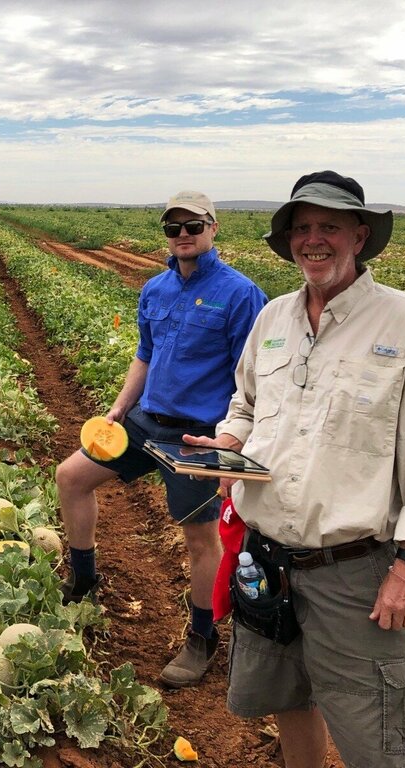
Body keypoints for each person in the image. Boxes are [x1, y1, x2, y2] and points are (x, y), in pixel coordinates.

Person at [185, 171, 405, 767]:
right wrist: (227, 443)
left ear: (359, 237)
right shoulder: (273, 319)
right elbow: (247, 405)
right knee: (289, 699)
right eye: (302, 228)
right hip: (266, 558)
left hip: (353, 572)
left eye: (329, 227)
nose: (314, 239)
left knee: (379, 738)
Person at [55, 191, 267, 688]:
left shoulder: (240, 294)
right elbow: (145, 355)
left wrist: (234, 442)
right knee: (71, 477)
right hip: (144, 421)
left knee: (199, 538)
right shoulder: (155, 288)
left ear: (213, 228)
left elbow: (254, 377)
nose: (183, 235)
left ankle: (202, 637)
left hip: (197, 437)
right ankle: (83, 578)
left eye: (193, 226)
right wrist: (119, 407)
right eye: (174, 228)